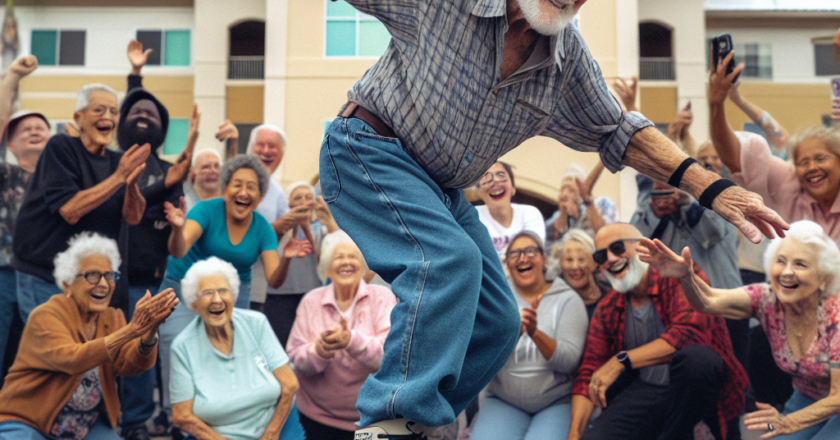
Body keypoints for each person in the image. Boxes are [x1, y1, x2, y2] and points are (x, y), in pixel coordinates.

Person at [324, 0, 786, 436]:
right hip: (367, 147)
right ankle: (391, 421)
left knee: (498, 321)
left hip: (438, 188)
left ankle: (420, 424)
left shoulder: (567, 63)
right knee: (450, 263)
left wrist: (714, 189)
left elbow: (620, 131)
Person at [639, 220, 840, 439]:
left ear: (824, 279)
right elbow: (708, 301)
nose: (787, 272)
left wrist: (787, 422)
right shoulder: (766, 299)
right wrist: (686, 277)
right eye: (780, 261)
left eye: (801, 264)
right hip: (805, 397)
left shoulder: (835, 317)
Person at [157, 154, 312, 420]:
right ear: (225, 188)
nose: (243, 192)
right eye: (237, 185)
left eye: (252, 187)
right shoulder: (206, 210)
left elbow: (274, 278)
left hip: (231, 297)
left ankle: (220, 410)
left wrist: (285, 259)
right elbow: (179, 249)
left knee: (226, 350)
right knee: (175, 342)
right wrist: (177, 229)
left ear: (260, 196)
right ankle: (178, 415)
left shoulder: (262, 229)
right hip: (184, 291)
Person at [567, 223, 747, 440]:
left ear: (641, 247)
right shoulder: (608, 308)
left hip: (698, 390)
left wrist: (620, 361)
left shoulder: (679, 275)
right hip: (649, 390)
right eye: (600, 255)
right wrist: (574, 434)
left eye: (617, 248)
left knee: (698, 360)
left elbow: (689, 335)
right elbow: (588, 371)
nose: (611, 259)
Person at [0, 233, 177, 439]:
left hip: (85, 426)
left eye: (110, 275)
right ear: (68, 285)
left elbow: (130, 365)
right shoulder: (46, 315)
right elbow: (73, 359)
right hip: (30, 422)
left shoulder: (112, 318)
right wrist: (131, 330)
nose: (103, 283)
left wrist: (149, 332)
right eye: (92, 275)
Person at [12, 83, 150, 321]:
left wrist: (131, 184)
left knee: (85, 355)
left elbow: (133, 217)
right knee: (53, 353)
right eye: (98, 110)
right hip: (45, 276)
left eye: (113, 112)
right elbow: (70, 210)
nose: (107, 117)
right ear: (79, 117)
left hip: (89, 282)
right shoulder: (61, 147)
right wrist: (119, 177)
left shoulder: (118, 160)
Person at [118, 39, 199, 440]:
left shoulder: (171, 171)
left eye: (152, 113)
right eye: (137, 111)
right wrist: (135, 76)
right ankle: (133, 419)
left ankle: (167, 417)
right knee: (127, 354)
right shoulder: (112, 166)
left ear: (164, 128)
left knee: (162, 356)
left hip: (156, 279)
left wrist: (178, 223)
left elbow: (174, 238)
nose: (144, 116)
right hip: (116, 282)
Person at [710, 51, 840, 243]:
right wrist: (716, 104)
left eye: (821, 158)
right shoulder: (789, 186)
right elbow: (736, 157)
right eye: (803, 162)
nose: (812, 167)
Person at [170, 257, 305, 440]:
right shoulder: (182, 346)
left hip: (274, 425)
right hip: (216, 435)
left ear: (233, 296)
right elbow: (182, 416)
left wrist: (271, 434)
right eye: (207, 293)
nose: (217, 300)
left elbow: (290, 385)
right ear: (194, 303)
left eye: (223, 291)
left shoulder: (256, 323)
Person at [469, 231, 587, 440]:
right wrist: (512, 333)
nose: (523, 258)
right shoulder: (496, 300)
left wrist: (534, 333)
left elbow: (569, 363)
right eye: (515, 253)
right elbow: (480, 355)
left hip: (555, 402)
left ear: (544, 259)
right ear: (507, 263)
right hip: (503, 400)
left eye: (531, 251)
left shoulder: (568, 299)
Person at [287, 231, 396, 440]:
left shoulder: (382, 297)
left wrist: (351, 341)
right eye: (338, 257)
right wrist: (319, 350)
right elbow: (297, 359)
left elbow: (389, 358)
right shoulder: (311, 301)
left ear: (364, 265)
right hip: (317, 416)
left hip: (371, 420)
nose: (346, 262)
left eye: (353, 256)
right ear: (327, 266)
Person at [0, 55, 44, 384]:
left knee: (40, 356)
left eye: (40, 127)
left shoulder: (63, 181)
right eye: (24, 129)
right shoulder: (6, 174)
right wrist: (13, 76)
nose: (33, 131)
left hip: (46, 277)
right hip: (3, 272)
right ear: (10, 145)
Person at [264, 181, 339, 346]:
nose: (304, 202)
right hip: (278, 297)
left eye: (308, 197)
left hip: (310, 292)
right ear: (289, 204)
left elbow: (323, 262)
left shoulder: (321, 229)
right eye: (298, 198)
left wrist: (307, 229)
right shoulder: (281, 226)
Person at [475, 161, 545, 261]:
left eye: (501, 175)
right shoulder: (473, 216)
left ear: (513, 188)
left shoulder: (530, 213)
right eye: (486, 178)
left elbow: (532, 256)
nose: (494, 181)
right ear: (479, 191)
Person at [545, 162, 614, 251]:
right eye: (563, 189)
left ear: (581, 193)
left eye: (571, 190)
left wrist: (586, 204)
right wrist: (563, 214)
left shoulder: (601, 205)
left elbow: (606, 236)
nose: (565, 194)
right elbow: (549, 241)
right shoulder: (556, 217)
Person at [550, 229, 605, 319]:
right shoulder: (554, 302)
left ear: (594, 263)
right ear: (560, 264)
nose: (575, 266)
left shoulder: (611, 295)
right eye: (569, 260)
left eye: (581, 259)